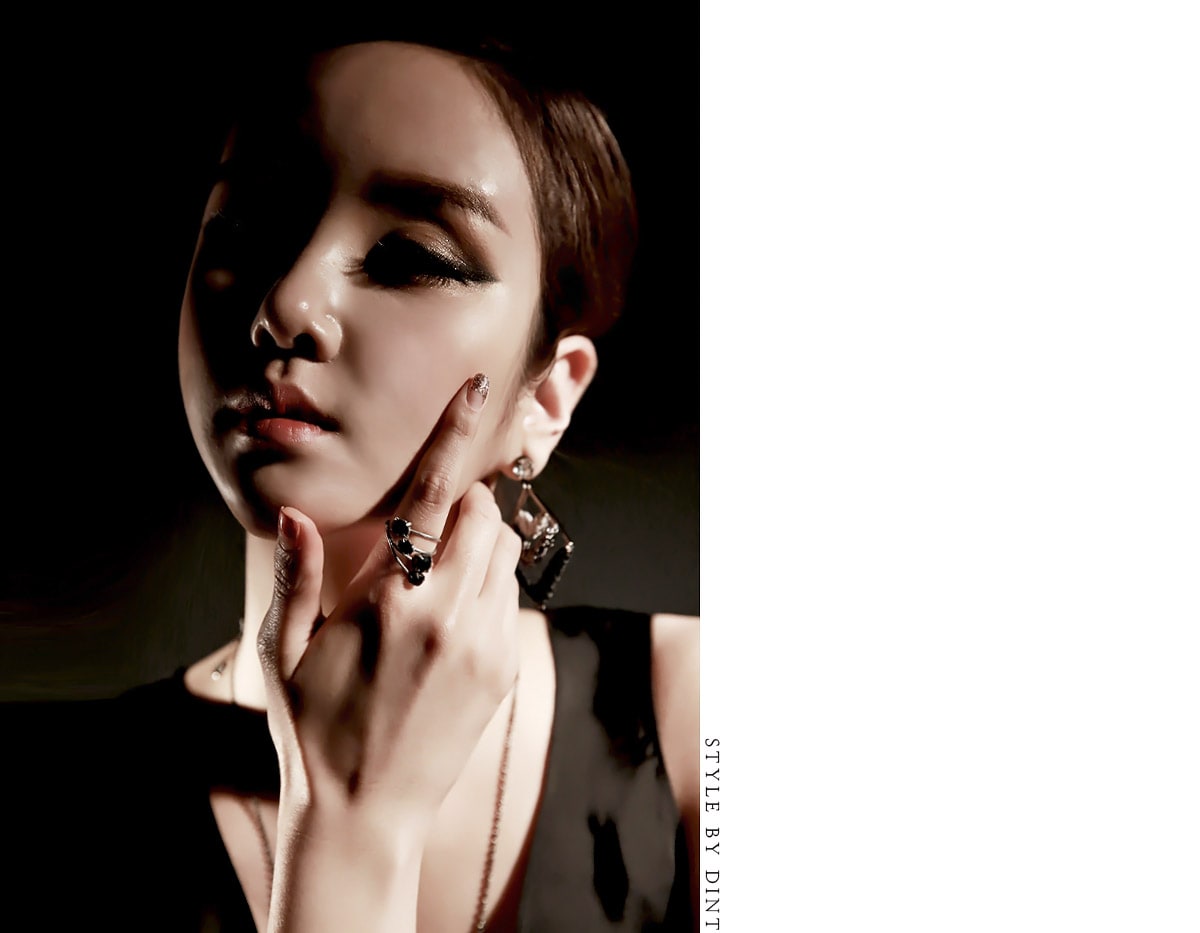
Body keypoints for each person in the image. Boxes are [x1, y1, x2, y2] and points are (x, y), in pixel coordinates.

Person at [7, 22, 698, 933]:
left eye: (413, 258)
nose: (286, 303)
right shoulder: (38, 803)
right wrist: (351, 825)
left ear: (545, 396)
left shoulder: (702, 723)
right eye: (243, 229)